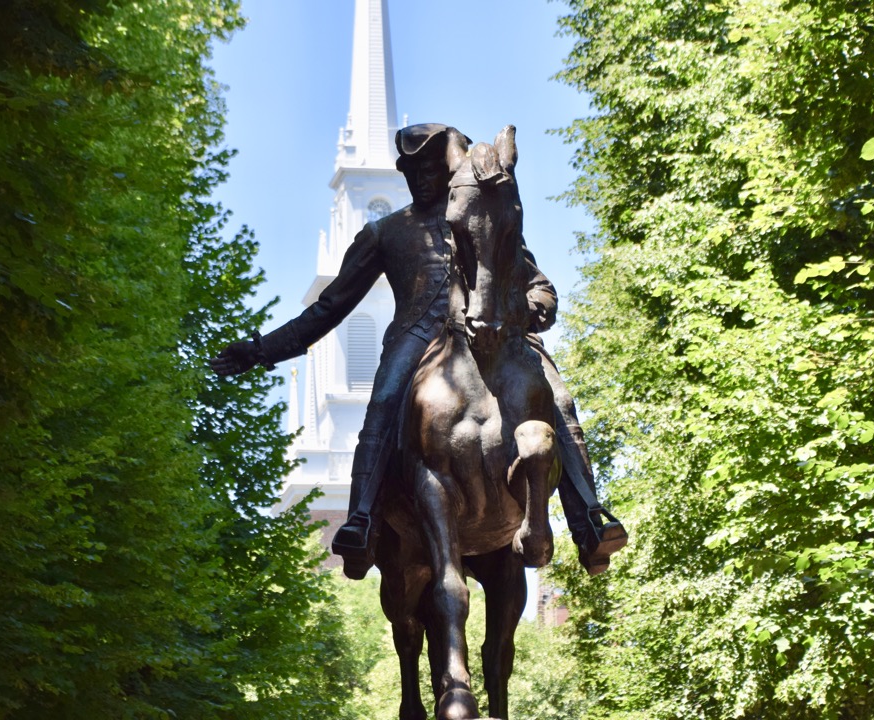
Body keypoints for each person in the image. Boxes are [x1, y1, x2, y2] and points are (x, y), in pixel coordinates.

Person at [211, 123, 626, 578]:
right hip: (416, 337)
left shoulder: (477, 211)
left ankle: (588, 520)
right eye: (412, 170)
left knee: (557, 397)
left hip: (495, 333)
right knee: (385, 401)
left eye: (431, 167)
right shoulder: (385, 233)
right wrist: (259, 351)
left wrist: (528, 311)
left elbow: (538, 284)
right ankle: (363, 520)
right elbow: (328, 309)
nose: (422, 178)